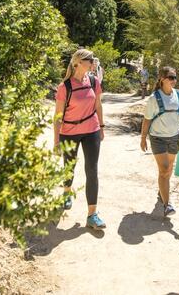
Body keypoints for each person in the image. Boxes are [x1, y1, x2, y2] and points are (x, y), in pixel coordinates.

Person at [54, 49, 106, 230]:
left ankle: (92, 215)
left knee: (92, 170)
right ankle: (67, 192)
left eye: (92, 59)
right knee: (69, 166)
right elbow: (58, 117)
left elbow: (98, 104)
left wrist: (101, 126)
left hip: (91, 130)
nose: (93, 62)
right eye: (89, 59)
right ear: (78, 62)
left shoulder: (94, 81)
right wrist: (56, 141)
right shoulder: (65, 87)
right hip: (69, 132)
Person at [140, 66, 179, 217]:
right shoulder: (154, 98)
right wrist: (143, 138)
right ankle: (167, 205)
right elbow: (147, 120)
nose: (174, 80)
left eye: (175, 77)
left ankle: (162, 191)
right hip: (158, 138)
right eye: (171, 77)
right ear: (162, 79)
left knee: (168, 171)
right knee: (164, 169)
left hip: (174, 137)